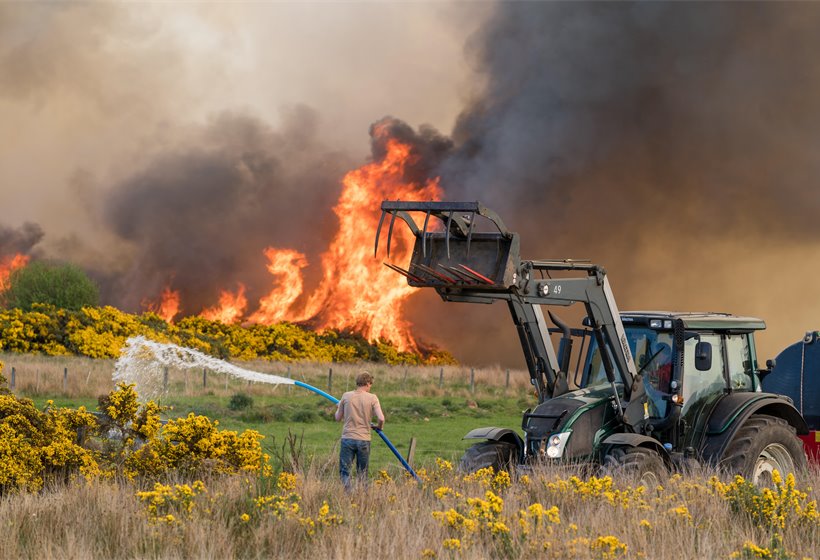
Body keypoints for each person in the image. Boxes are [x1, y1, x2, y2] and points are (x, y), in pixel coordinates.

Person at [335, 371, 385, 490]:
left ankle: (349, 494)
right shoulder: (372, 398)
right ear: (367, 383)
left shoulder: (346, 396)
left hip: (348, 438)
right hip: (364, 439)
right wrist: (379, 427)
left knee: (345, 471)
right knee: (362, 473)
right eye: (370, 384)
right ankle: (363, 496)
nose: (370, 387)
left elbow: (337, 417)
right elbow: (381, 418)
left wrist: (339, 407)